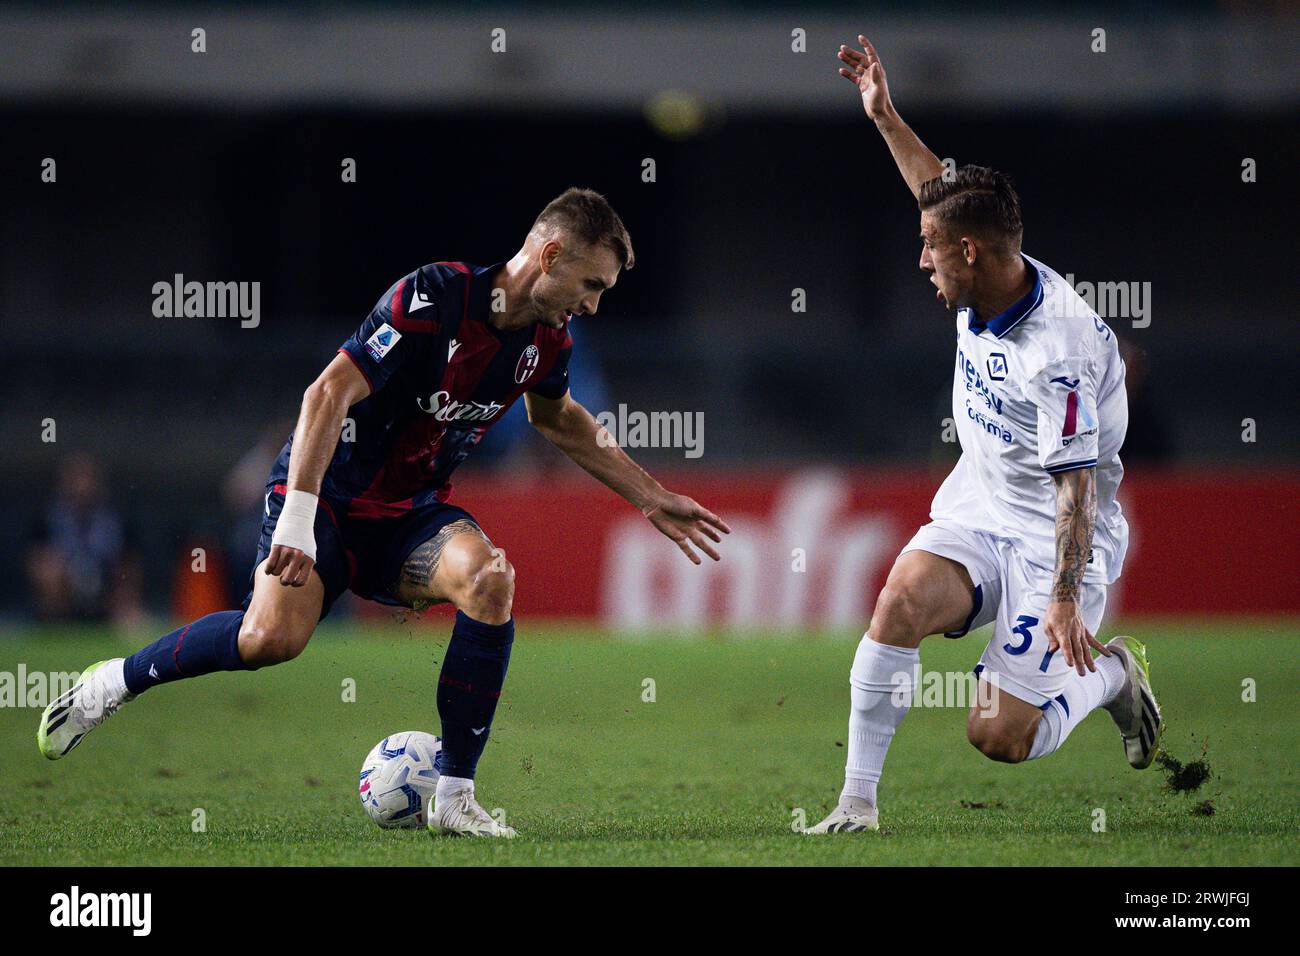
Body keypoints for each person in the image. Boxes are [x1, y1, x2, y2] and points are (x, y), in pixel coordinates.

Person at [38, 187, 731, 838]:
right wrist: (298, 523)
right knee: (268, 641)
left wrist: (650, 493)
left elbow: (560, 420)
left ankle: (454, 796)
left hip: (408, 516)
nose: (594, 304)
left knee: (489, 581)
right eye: (592, 285)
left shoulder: (547, 342)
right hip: (328, 502)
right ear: (551, 256)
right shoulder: (434, 296)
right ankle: (115, 680)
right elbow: (325, 396)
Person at [805, 37, 1160, 834]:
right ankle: (856, 804)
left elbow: (1077, 485)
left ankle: (1110, 678)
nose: (922, 261)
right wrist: (886, 116)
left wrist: (1066, 597)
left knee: (997, 735)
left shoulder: (1057, 351)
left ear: (968, 252)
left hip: (1055, 539)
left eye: (931, 250)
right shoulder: (981, 262)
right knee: (897, 601)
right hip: (980, 506)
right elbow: (938, 191)